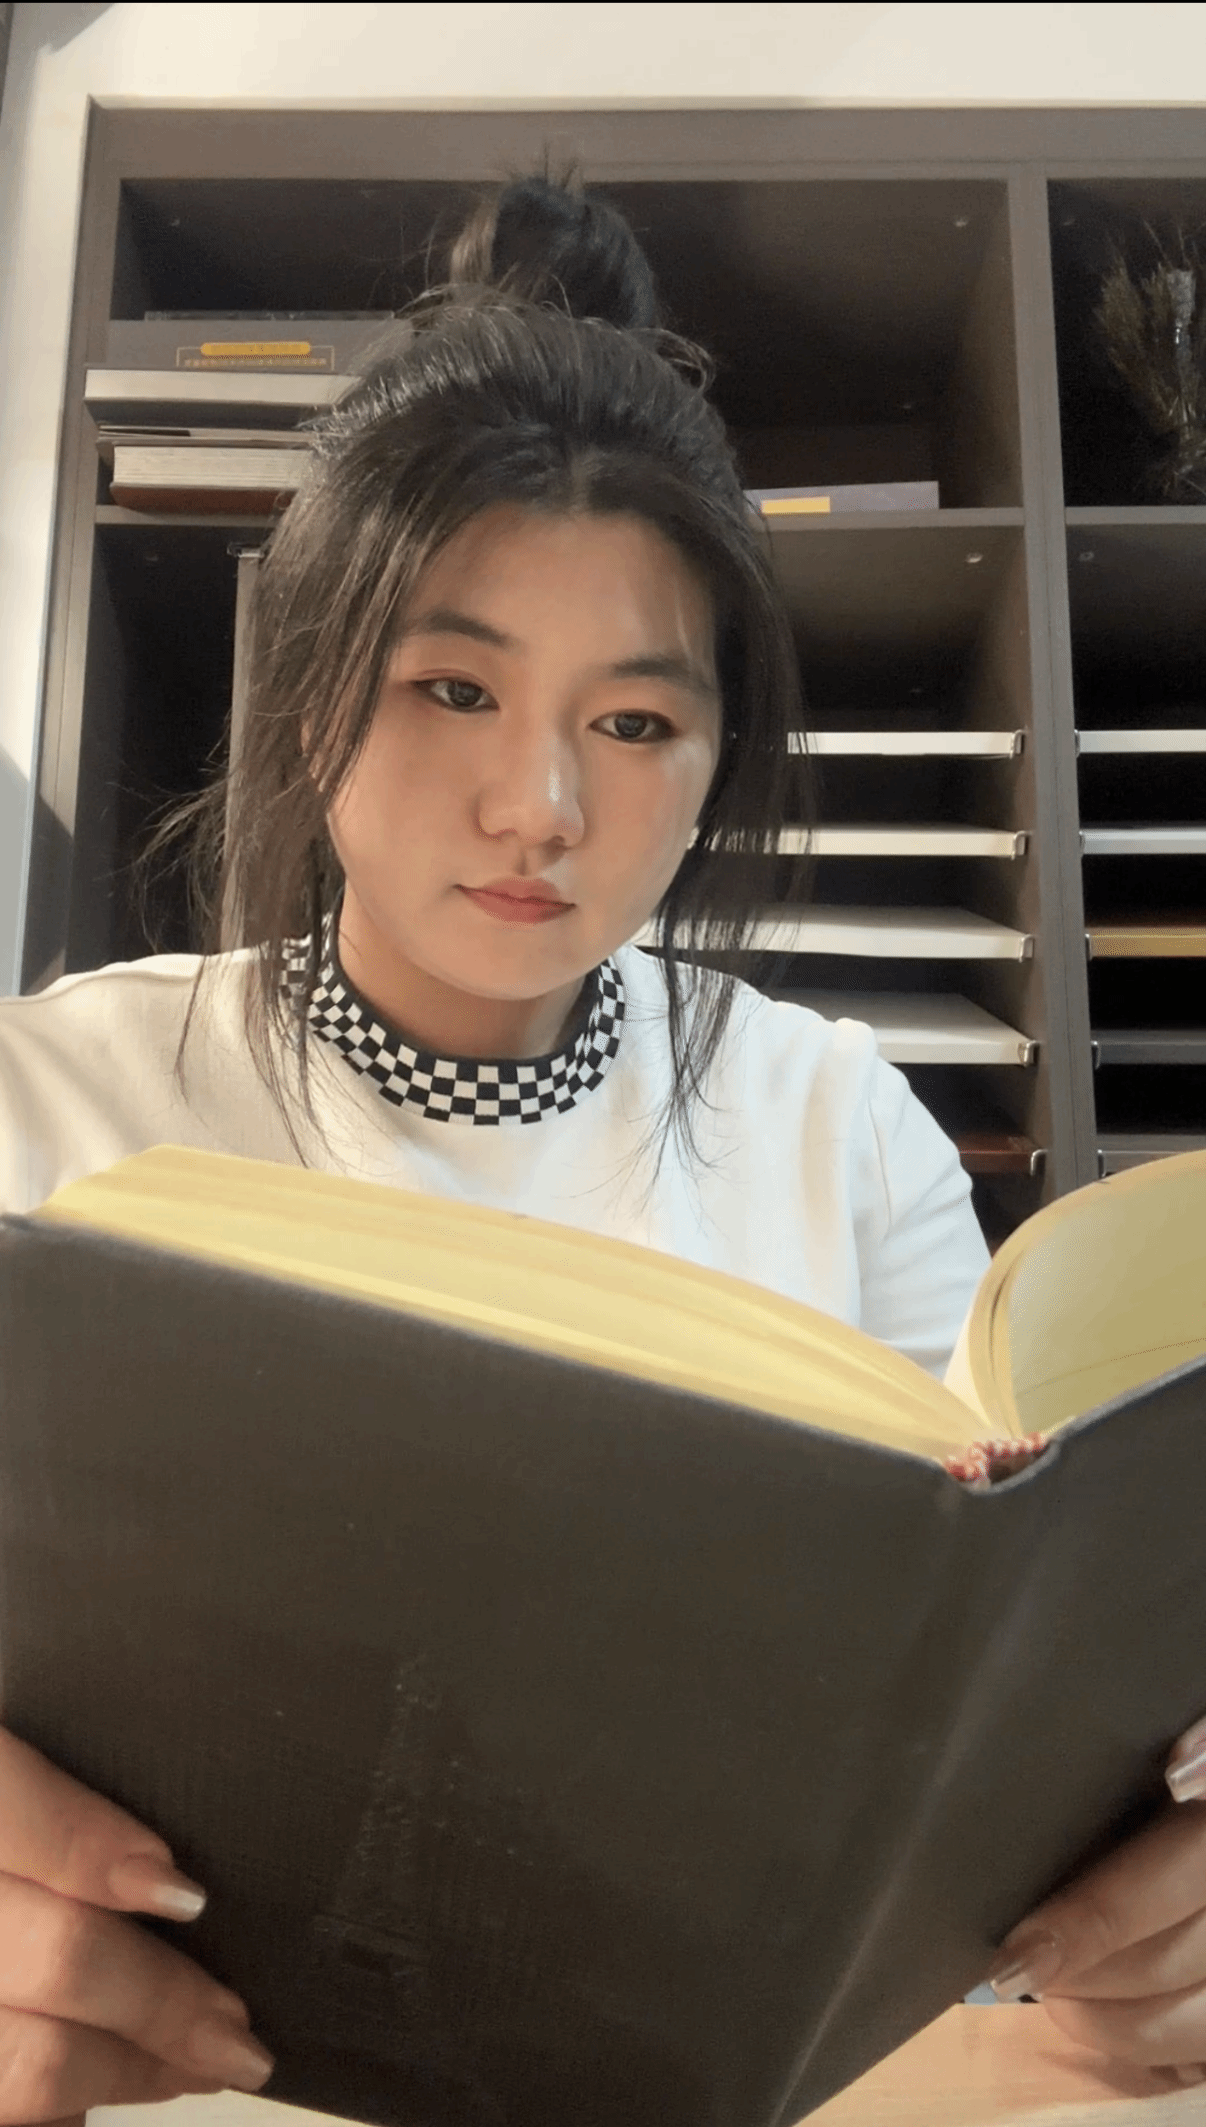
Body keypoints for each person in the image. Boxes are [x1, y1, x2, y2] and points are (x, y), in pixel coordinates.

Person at [0, 175, 1203, 2122]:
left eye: (636, 722)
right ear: (305, 704)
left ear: (718, 762)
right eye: (451, 687)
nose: (540, 803)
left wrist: (1121, 1899)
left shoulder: (835, 1128)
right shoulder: (45, 1112)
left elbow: (984, 1713)